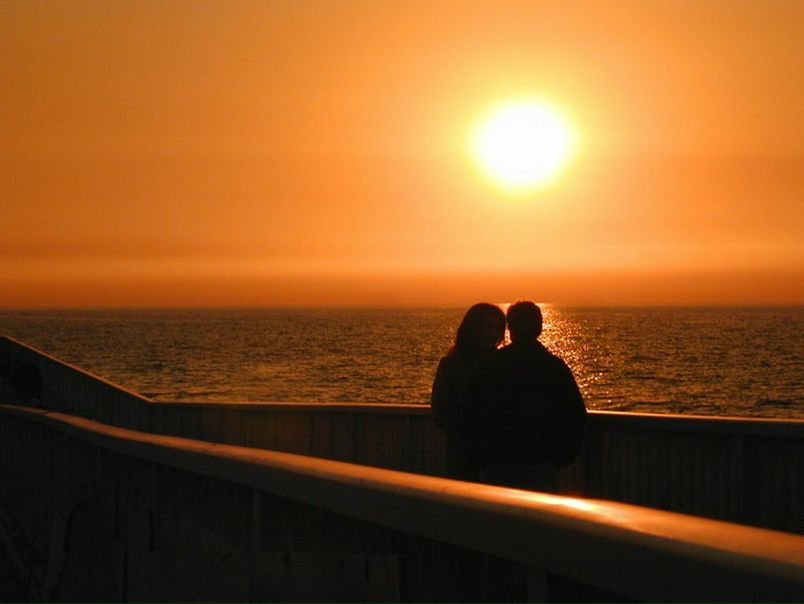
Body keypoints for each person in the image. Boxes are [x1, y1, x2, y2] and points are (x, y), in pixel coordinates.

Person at [469, 301, 586, 491]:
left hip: (497, 461)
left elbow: (469, 409)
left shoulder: (490, 364)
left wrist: (478, 453)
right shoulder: (554, 367)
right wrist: (564, 456)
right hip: (541, 462)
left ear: (510, 328)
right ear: (539, 328)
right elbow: (576, 413)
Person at [431, 303, 506, 480]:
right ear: (473, 328)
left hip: (496, 454)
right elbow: (440, 411)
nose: (493, 334)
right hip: (463, 453)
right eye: (487, 327)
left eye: (497, 328)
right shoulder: (451, 365)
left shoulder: (504, 364)